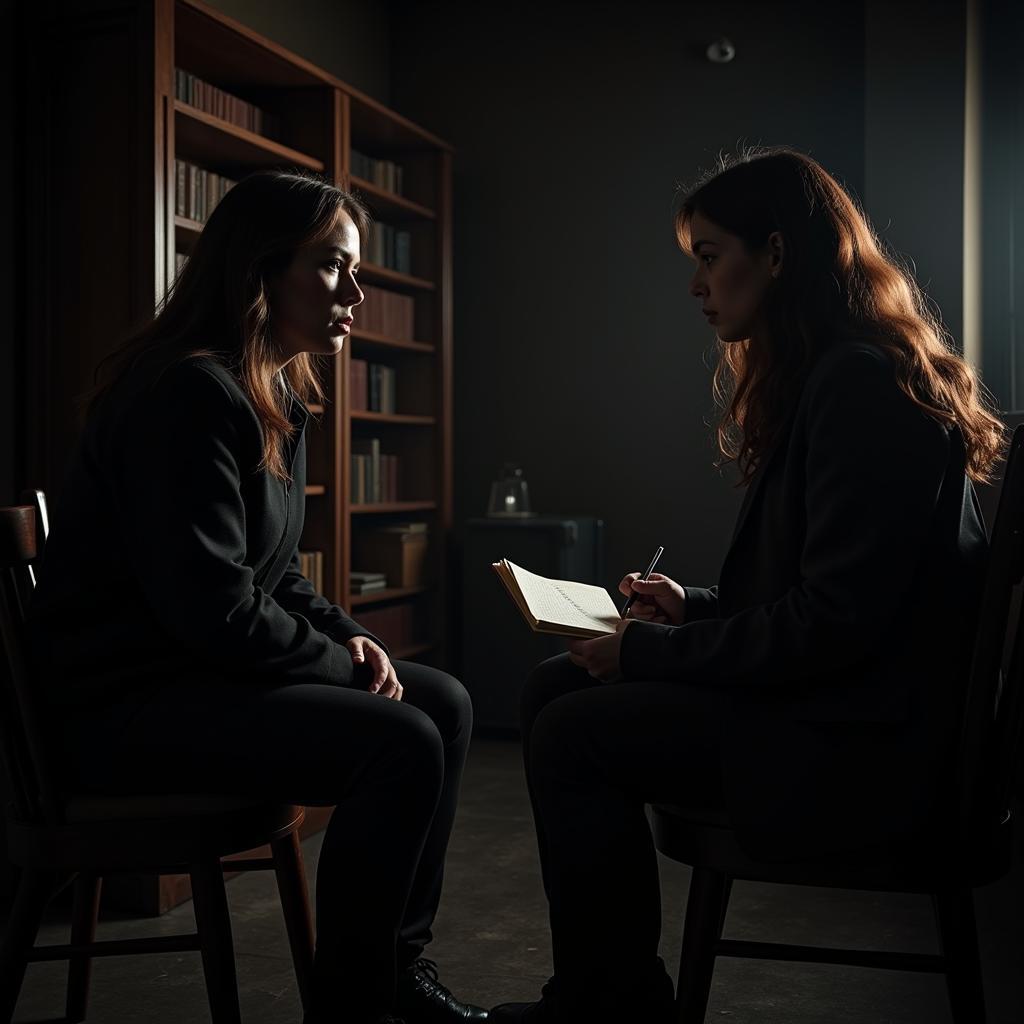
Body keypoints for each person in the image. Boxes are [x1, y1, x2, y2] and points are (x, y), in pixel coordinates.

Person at [489, 148, 1005, 1024]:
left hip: (867, 755)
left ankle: (608, 1006)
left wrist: (655, 650)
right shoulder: (840, 375)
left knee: (572, 729)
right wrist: (694, 611)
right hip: (851, 712)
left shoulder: (859, 385)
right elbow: (846, 603)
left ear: (775, 253)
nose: (697, 285)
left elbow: (836, 625)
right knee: (557, 688)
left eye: (708, 254)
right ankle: (608, 995)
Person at [29, 170, 487, 1024]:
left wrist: (356, 641)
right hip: (123, 709)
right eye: (331, 267)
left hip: (193, 677)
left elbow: (273, 573)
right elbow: (211, 606)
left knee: (446, 703)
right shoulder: (188, 394)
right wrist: (343, 671)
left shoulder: (268, 390)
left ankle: (394, 971)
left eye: (353, 269)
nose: (356, 290)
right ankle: (358, 1007)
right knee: (400, 742)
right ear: (258, 271)